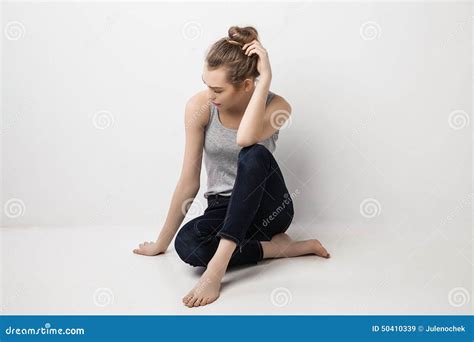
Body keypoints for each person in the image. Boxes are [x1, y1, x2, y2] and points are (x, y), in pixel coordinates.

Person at [133, 26, 330, 308]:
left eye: (218, 89)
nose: (209, 94)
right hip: (223, 208)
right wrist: (160, 243)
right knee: (187, 244)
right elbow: (189, 180)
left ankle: (217, 268)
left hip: (268, 209)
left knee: (254, 154)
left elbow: (246, 139)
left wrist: (265, 81)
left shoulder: (278, 106)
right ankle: (280, 248)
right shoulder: (200, 107)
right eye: (206, 84)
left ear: (247, 84)